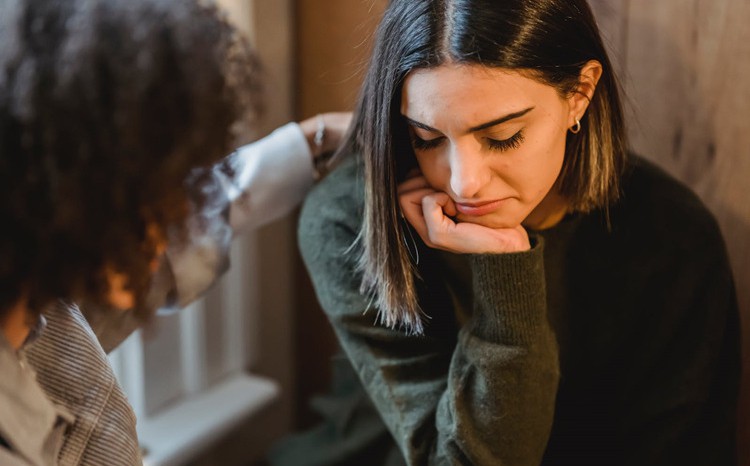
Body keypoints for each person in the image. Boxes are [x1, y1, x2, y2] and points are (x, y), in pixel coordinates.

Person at [281, 0, 740, 465]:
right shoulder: (352, 219)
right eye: (427, 138)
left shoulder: (671, 238)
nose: (463, 183)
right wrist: (506, 282)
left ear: (580, 93)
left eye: (502, 137)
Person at [0, 0, 349, 464]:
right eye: (168, 193)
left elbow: (209, 213)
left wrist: (315, 142)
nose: (182, 217)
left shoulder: (38, 290)